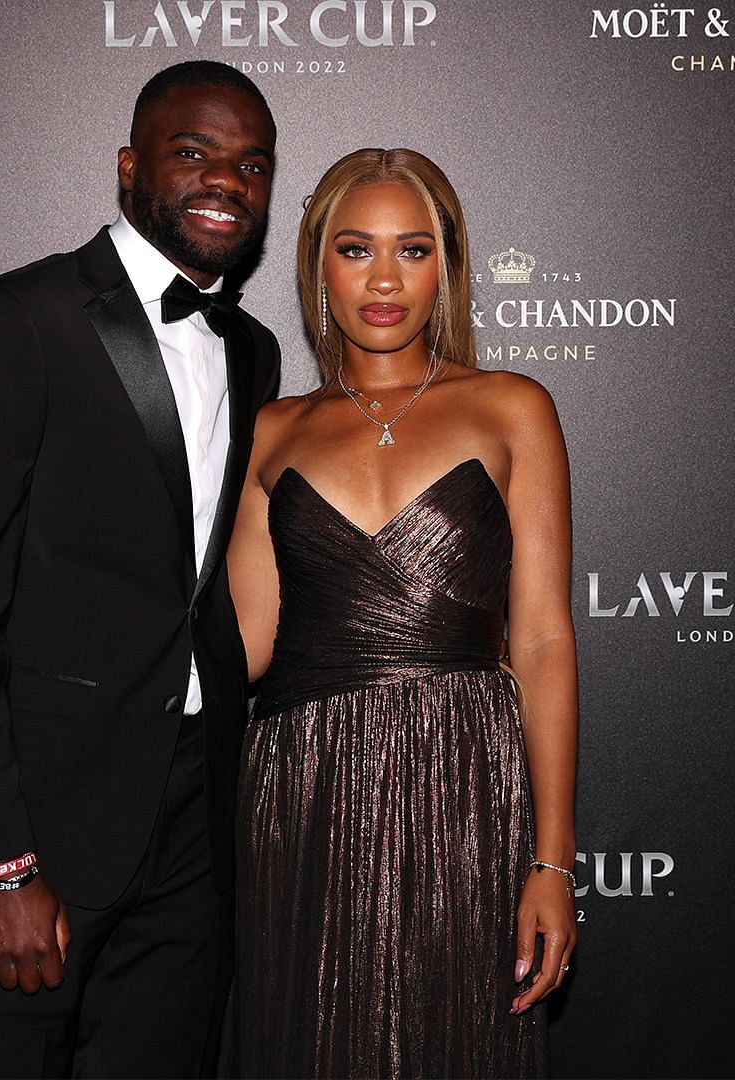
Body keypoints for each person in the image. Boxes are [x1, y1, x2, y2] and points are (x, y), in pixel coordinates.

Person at [0, 61, 282, 1077]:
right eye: (193, 153)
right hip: (39, 828)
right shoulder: (10, 321)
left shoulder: (252, 351)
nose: (226, 181)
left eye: (251, 165)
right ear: (128, 167)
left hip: (195, 828)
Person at [226, 148, 577, 1076]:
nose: (384, 278)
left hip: (466, 775)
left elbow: (541, 639)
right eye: (355, 249)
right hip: (303, 785)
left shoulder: (510, 409)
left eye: (413, 250)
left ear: (447, 266)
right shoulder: (270, 429)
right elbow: (242, 645)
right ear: (316, 265)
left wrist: (551, 861)